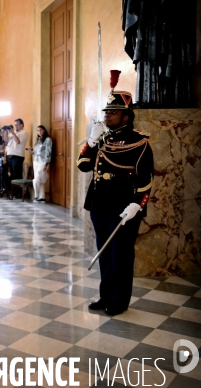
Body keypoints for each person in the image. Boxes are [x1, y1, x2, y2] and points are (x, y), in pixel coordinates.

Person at [77, 71, 154, 316]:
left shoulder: (139, 142)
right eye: (106, 112)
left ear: (126, 116)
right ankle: (105, 295)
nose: (107, 115)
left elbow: (146, 180)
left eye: (112, 112)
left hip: (124, 208)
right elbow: (84, 166)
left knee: (120, 255)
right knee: (105, 253)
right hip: (100, 205)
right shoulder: (101, 138)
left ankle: (120, 300)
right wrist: (90, 141)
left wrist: (137, 205)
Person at [2, 118, 29, 199]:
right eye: (15, 125)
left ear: (22, 125)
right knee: (11, 175)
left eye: (17, 125)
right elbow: (6, 141)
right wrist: (6, 132)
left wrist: (13, 132)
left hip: (17, 156)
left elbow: (17, 142)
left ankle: (19, 193)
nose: (16, 126)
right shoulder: (14, 133)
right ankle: (13, 191)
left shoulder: (24, 133)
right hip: (10, 156)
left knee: (17, 175)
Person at [28, 125, 52, 202]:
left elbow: (48, 152)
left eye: (41, 130)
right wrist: (31, 151)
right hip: (36, 161)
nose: (39, 132)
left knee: (37, 179)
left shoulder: (48, 140)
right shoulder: (38, 140)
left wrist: (46, 164)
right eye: (38, 130)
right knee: (40, 179)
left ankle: (36, 195)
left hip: (43, 161)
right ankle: (42, 197)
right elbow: (36, 152)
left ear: (44, 130)